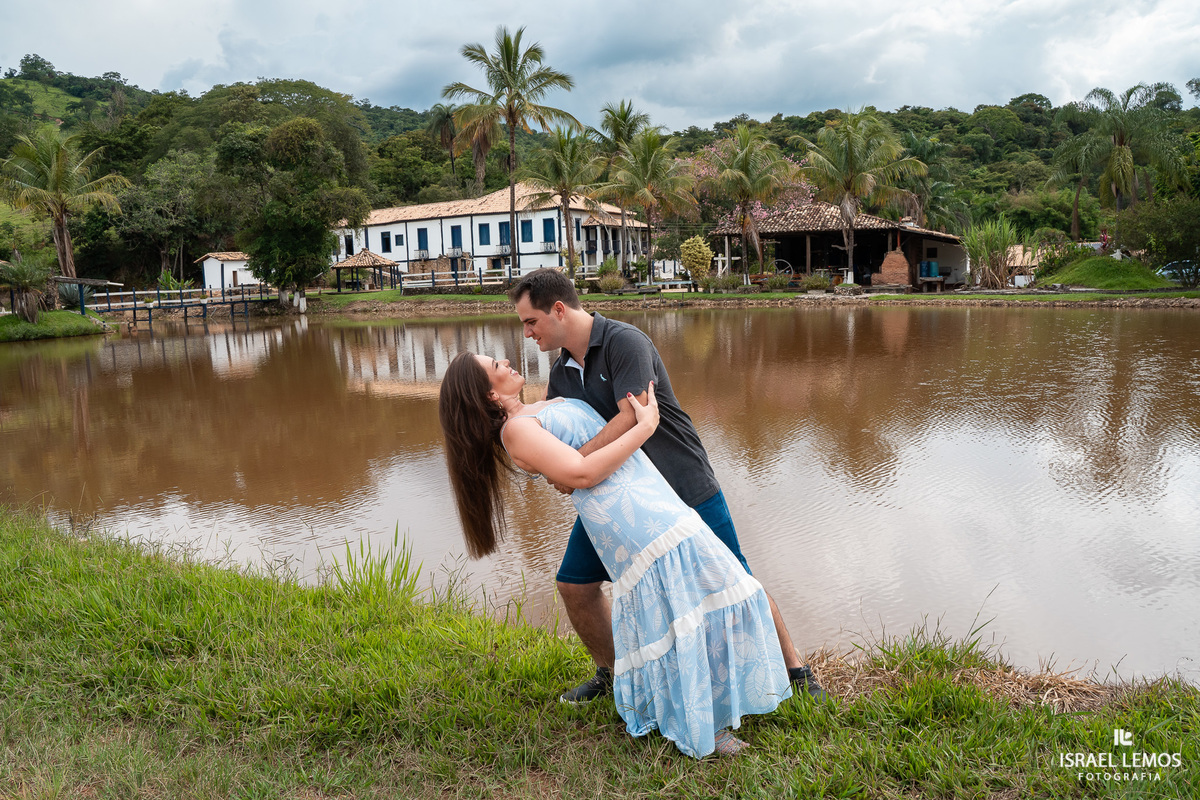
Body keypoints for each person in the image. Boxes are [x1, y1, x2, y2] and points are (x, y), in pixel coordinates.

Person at [438, 351, 791, 757]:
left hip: (653, 495)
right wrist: (646, 427)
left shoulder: (546, 402)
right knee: (678, 612)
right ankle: (703, 729)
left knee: (727, 585)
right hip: (629, 517)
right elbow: (580, 474)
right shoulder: (516, 431)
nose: (508, 361)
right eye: (497, 367)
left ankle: (724, 696)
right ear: (490, 395)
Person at [508, 268, 827, 704]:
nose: (527, 333)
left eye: (531, 321)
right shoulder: (562, 371)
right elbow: (550, 430)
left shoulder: (624, 341)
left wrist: (572, 466)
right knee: (575, 585)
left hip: (681, 482)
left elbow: (632, 414)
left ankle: (796, 672)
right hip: (619, 501)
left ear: (558, 309)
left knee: (736, 577)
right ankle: (614, 673)